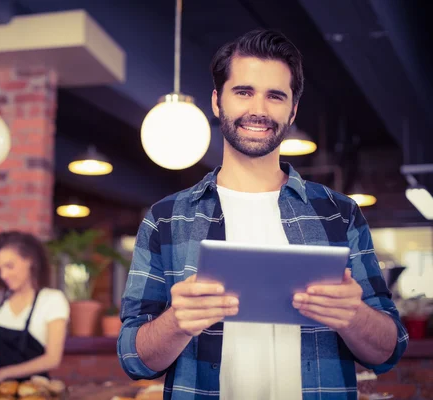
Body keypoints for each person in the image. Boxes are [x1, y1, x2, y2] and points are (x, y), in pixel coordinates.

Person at [118, 29, 408, 399]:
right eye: (243, 92)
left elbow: (389, 350)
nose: (258, 110)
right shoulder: (166, 218)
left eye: (275, 96)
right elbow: (133, 358)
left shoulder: (340, 214)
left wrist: (354, 316)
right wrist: (176, 322)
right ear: (217, 101)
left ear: (293, 109)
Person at [0, 231, 69, 393]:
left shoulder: (52, 300)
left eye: (9, 266)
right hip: (0, 392)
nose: (3, 275)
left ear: (30, 260)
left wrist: (0, 374)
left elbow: (52, 359)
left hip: (34, 391)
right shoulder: (0, 299)